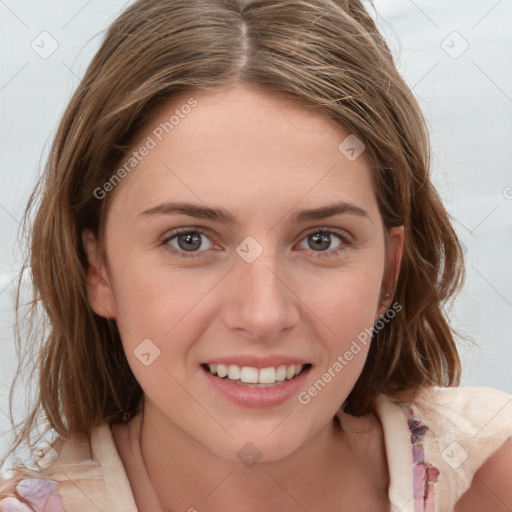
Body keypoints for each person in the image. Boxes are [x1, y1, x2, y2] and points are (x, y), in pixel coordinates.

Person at [0, 0, 511, 510]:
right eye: (190, 240)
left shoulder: (492, 476)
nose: (263, 315)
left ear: (388, 273)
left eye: (321, 240)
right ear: (98, 270)